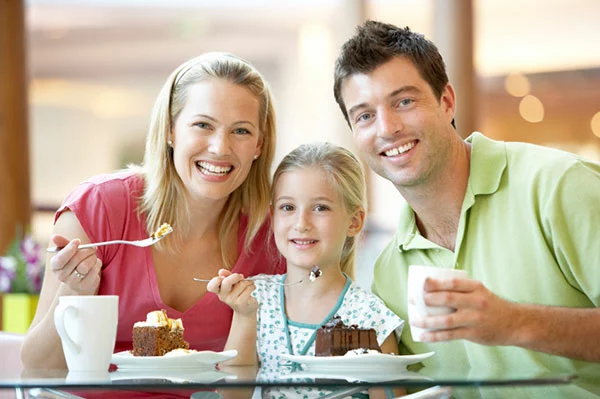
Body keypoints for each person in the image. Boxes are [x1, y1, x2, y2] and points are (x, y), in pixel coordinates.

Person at [333, 20, 600, 377]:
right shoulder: (389, 273)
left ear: (446, 102)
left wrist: (514, 323)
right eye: (365, 115)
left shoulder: (559, 186)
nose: (386, 128)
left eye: (404, 101)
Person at [21, 52, 286, 370]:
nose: (220, 147)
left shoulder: (273, 238)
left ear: (259, 144)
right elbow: (38, 366)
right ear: (171, 130)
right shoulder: (99, 209)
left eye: (241, 131)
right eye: (203, 125)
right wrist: (76, 290)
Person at [207, 142, 404, 399]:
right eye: (288, 207)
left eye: (320, 208)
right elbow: (231, 396)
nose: (301, 224)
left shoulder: (372, 317)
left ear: (354, 222)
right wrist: (244, 316)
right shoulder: (255, 299)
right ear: (273, 216)